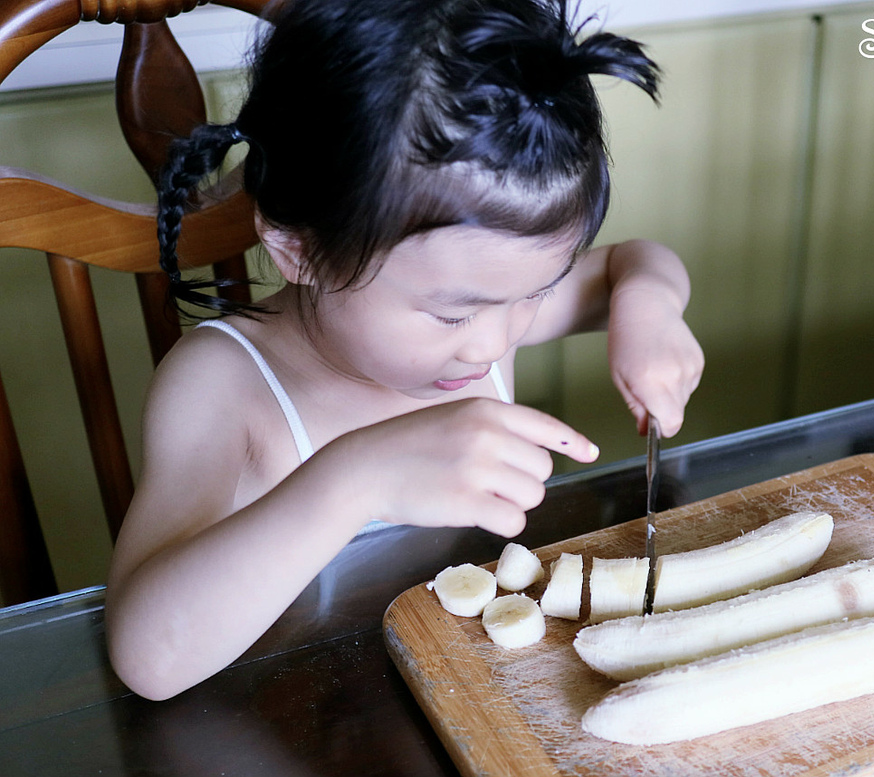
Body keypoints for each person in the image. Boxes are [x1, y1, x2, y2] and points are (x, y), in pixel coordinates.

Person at [105, 0, 704, 700]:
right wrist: (359, 474)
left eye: (535, 294)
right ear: (302, 251)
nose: (496, 341)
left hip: (464, 694)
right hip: (290, 717)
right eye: (454, 314)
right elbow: (149, 657)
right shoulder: (224, 385)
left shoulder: (484, 314)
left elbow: (635, 261)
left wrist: (650, 304)